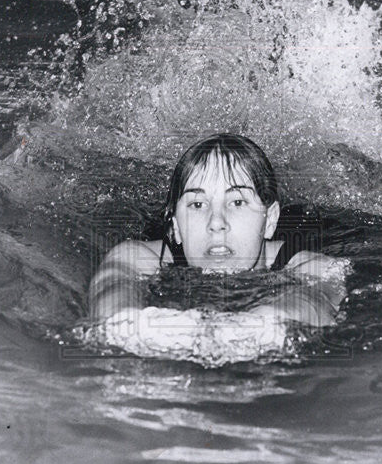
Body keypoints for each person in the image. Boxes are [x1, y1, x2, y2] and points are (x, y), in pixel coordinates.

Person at [89, 134, 347, 348]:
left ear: (269, 220)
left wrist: (267, 321)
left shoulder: (311, 263)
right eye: (198, 204)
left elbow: (317, 298)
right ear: (177, 226)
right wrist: (128, 321)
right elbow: (114, 281)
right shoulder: (142, 255)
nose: (216, 221)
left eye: (237, 202)